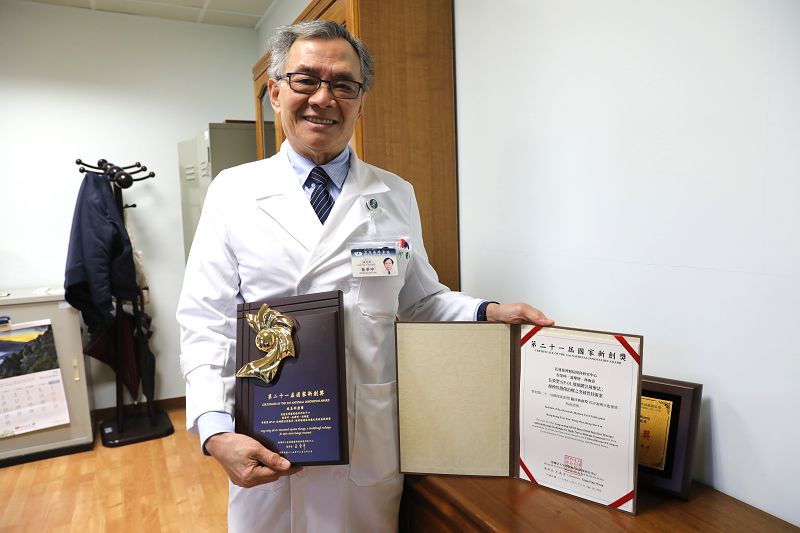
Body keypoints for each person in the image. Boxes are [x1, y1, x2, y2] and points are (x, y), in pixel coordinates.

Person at [176, 20, 553, 533]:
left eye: (343, 84)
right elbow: (206, 321)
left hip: (366, 440)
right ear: (276, 92)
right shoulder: (233, 192)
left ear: (360, 101)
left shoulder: (396, 194)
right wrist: (216, 430)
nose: (323, 98)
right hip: (270, 432)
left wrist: (488, 311)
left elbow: (419, 300)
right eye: (306, 79)